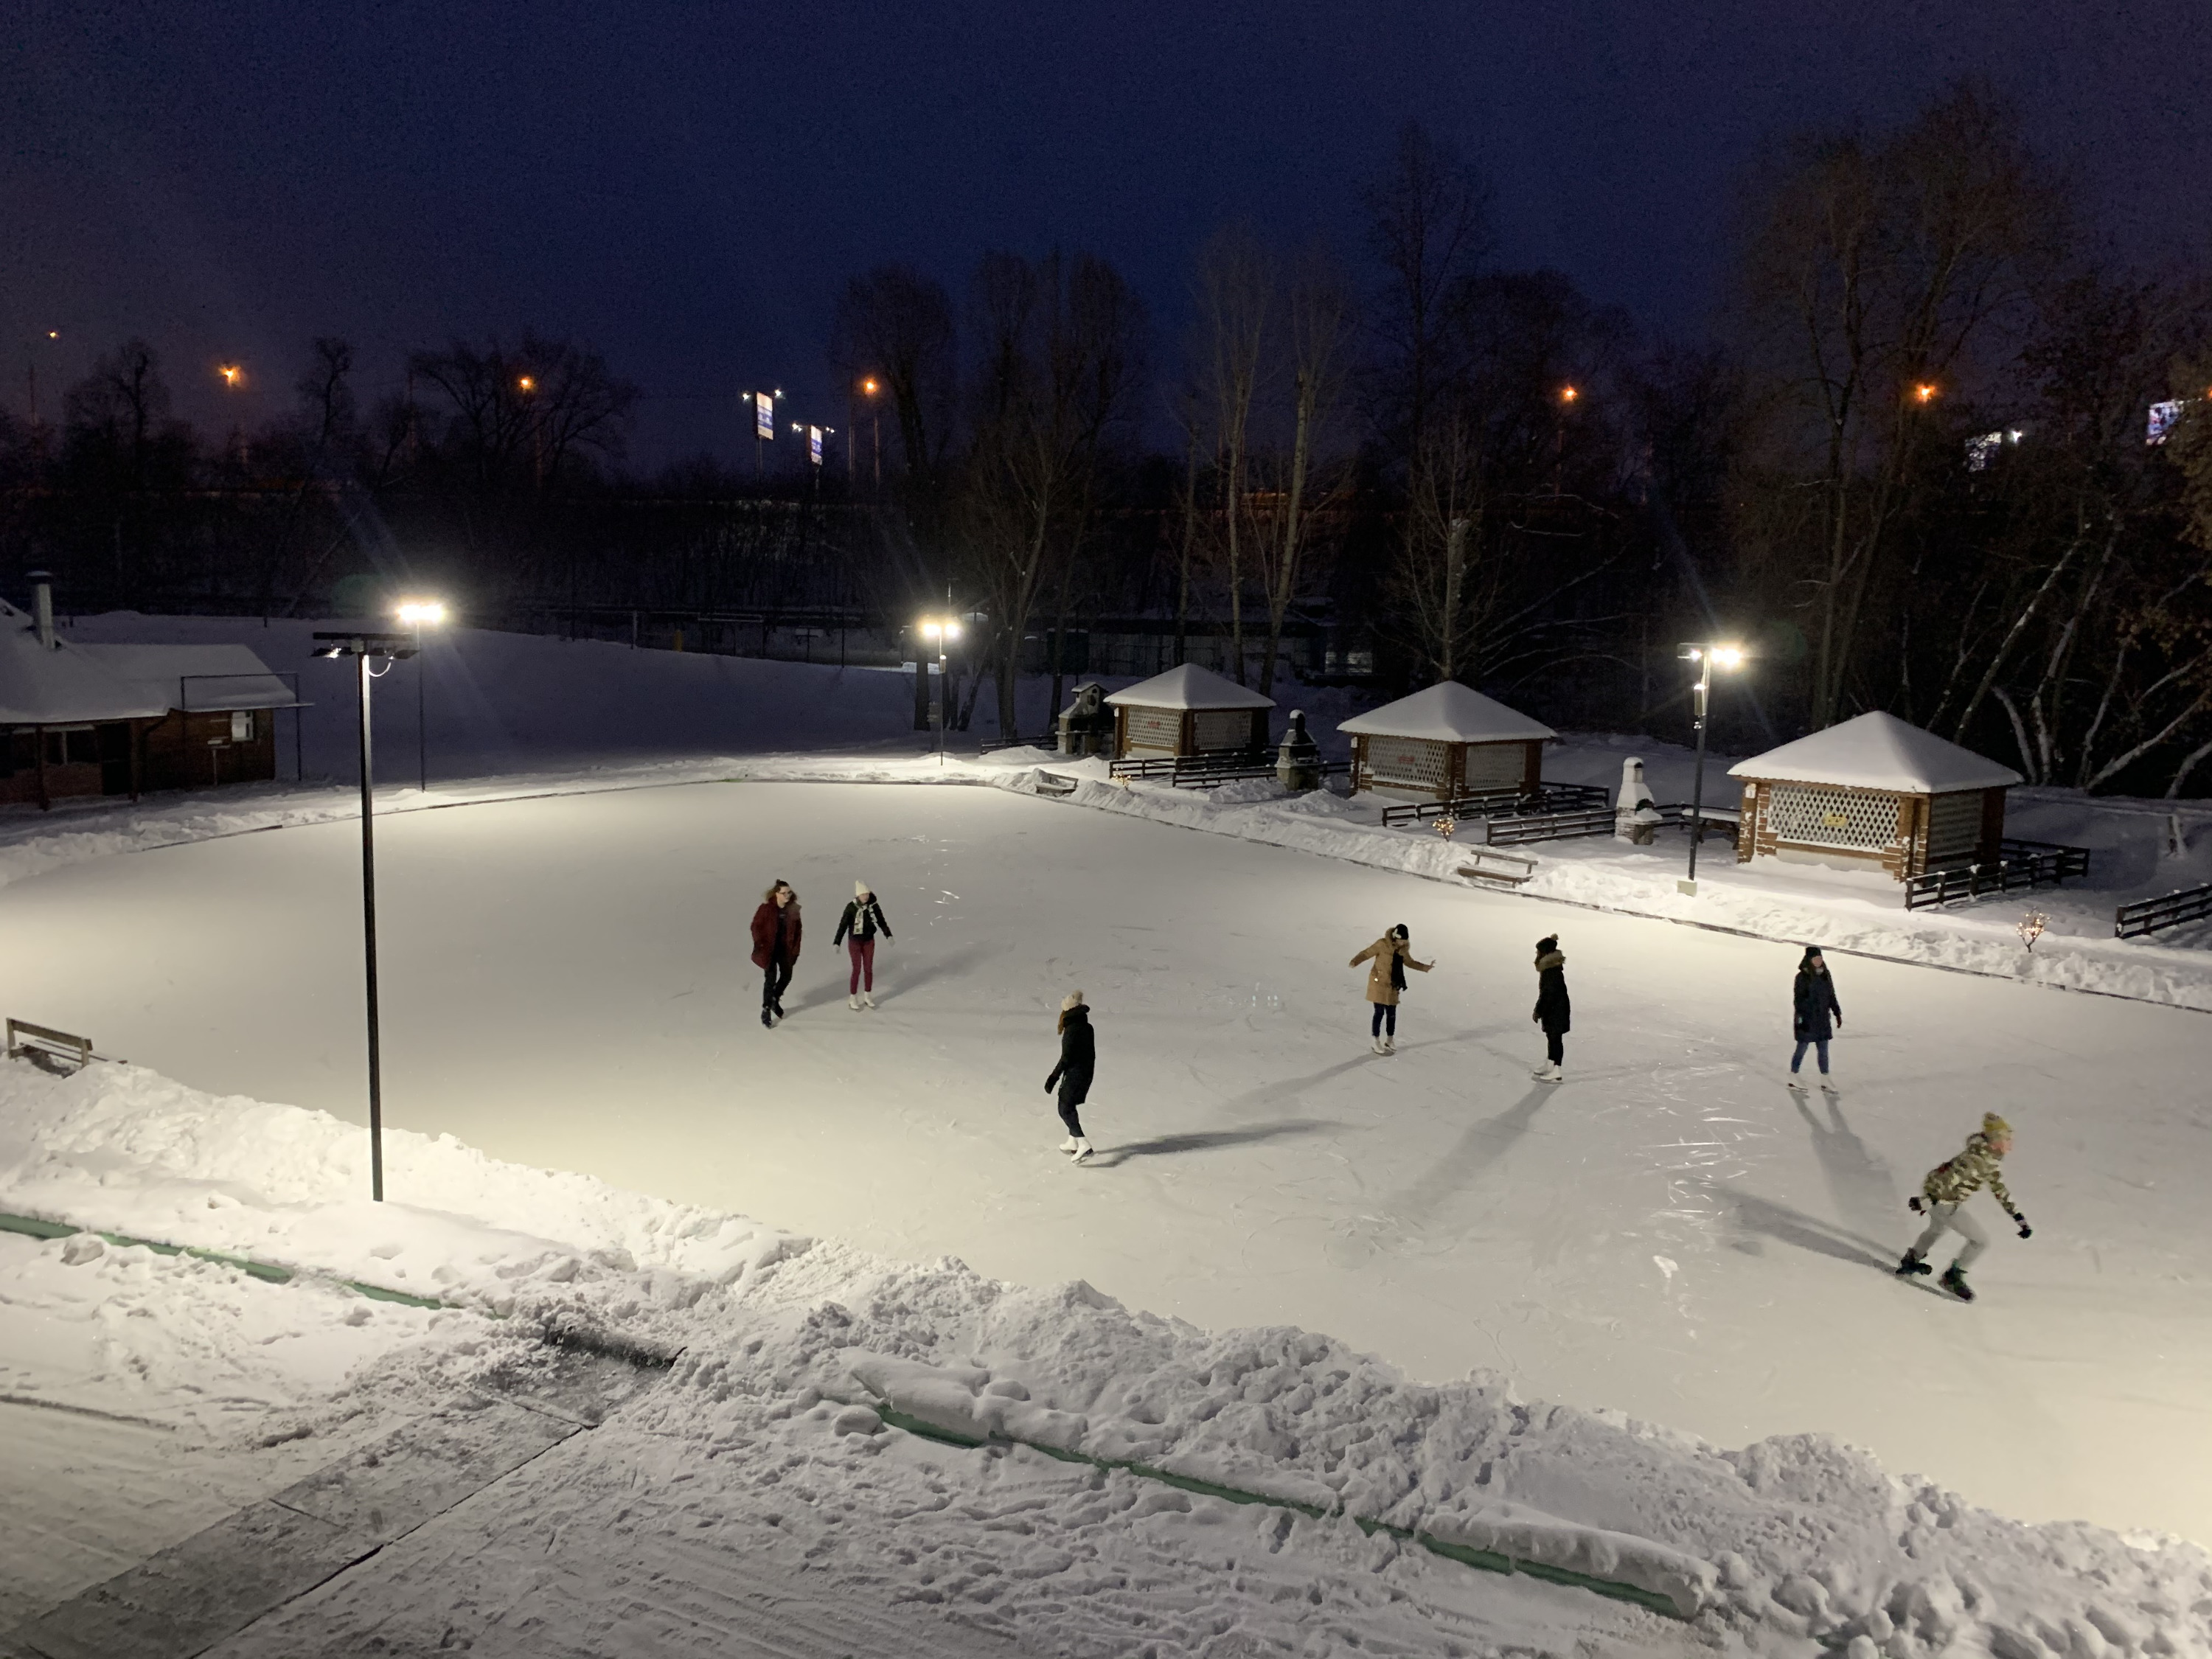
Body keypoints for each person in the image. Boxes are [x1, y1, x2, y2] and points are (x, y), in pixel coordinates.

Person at [1896, 1112, 2031, 1302]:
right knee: (1980, 1241)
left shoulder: (1988, 1159)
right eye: (2008, 1139)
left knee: (1936, 1229)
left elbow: (1998, 1188)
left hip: (1940, 1198)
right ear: (1996, 1141)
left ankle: (1911, 1260)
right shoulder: (1976, 1160)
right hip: (1945, 1202)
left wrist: (2018, 1217)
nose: (2011, 1144)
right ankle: (1952, 1277)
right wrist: (1929, 1200)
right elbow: (1948, 1180)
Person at [1350, 925, 1431, 1055]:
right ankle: (1375, 1040)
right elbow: (1367, 953)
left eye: (1405, 941)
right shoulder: (1382, 944)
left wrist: (1424, 968)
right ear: (1395, 937)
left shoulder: (1402, 950)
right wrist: (1355, 961)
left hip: (1393, 985)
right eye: (1401, 940)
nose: (1403, 943)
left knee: (1392, 1013)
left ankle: (1389, 1039)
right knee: (1379, 1012)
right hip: (1379, 983)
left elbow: (1410, 962)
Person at [1044, 990, 1096, 1162]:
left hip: (1076, 1072)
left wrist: (1053, 1077)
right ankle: (1073, 1141)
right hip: (1086, 1072)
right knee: (1068, 1105)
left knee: (1064, 1107)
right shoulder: (1086, 1027)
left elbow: (1066, 1058)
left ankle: (1082, 1142)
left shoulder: (1072, 1029)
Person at [832, 881, 893, 1011]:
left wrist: (888, 934)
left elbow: (881, 920)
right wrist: (837, 941)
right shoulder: (851, 908)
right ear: (858, 895)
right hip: (855, 942)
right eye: (863, 894)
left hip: (869, 941)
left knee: (868, 968)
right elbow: (843, 925)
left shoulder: (873, 906)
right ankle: (853, 997)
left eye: (867, 894)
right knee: (857, 969)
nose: (865, 897)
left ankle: (868, 995)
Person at [749, 880, 802, 1028]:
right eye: (784, 893)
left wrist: (796, 949)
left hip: (786, 950)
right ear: (776, 894)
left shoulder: (793, 910)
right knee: (770, 979)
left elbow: (798, 931)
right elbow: (755, 926)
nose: (787, 895)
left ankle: (774, 999)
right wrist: (760, 942)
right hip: (769, 950)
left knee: (787, 976)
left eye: (789, 892)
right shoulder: (766, 909)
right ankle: (766, 1009)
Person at [1789, 947, 1843, 1087]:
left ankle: (1825, 1079)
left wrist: (1837, 1012)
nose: (1819, 961)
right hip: (1806, 1020)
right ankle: (1793, 1076)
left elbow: (1831, 995)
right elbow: (1798, 1001)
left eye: (1820, 958)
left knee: (1824, 1051)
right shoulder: (1801, 977)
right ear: (1809, 960)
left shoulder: (1826, 975)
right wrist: (1802, 1020)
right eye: (1815, 959)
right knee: (1802, 1048)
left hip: (1822, 1020)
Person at [1531, 935, 1570, 1082]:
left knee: (1555, 1039)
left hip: (1556, 1010)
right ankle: (1550, 1064)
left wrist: (1538, 1010)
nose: (1537, 955)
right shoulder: (1550, 968)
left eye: (1538, 952)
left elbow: (1548, 994)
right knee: (1551, 1037)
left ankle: (1556, 1069)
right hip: (1555, 1009)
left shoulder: (1551, 971)